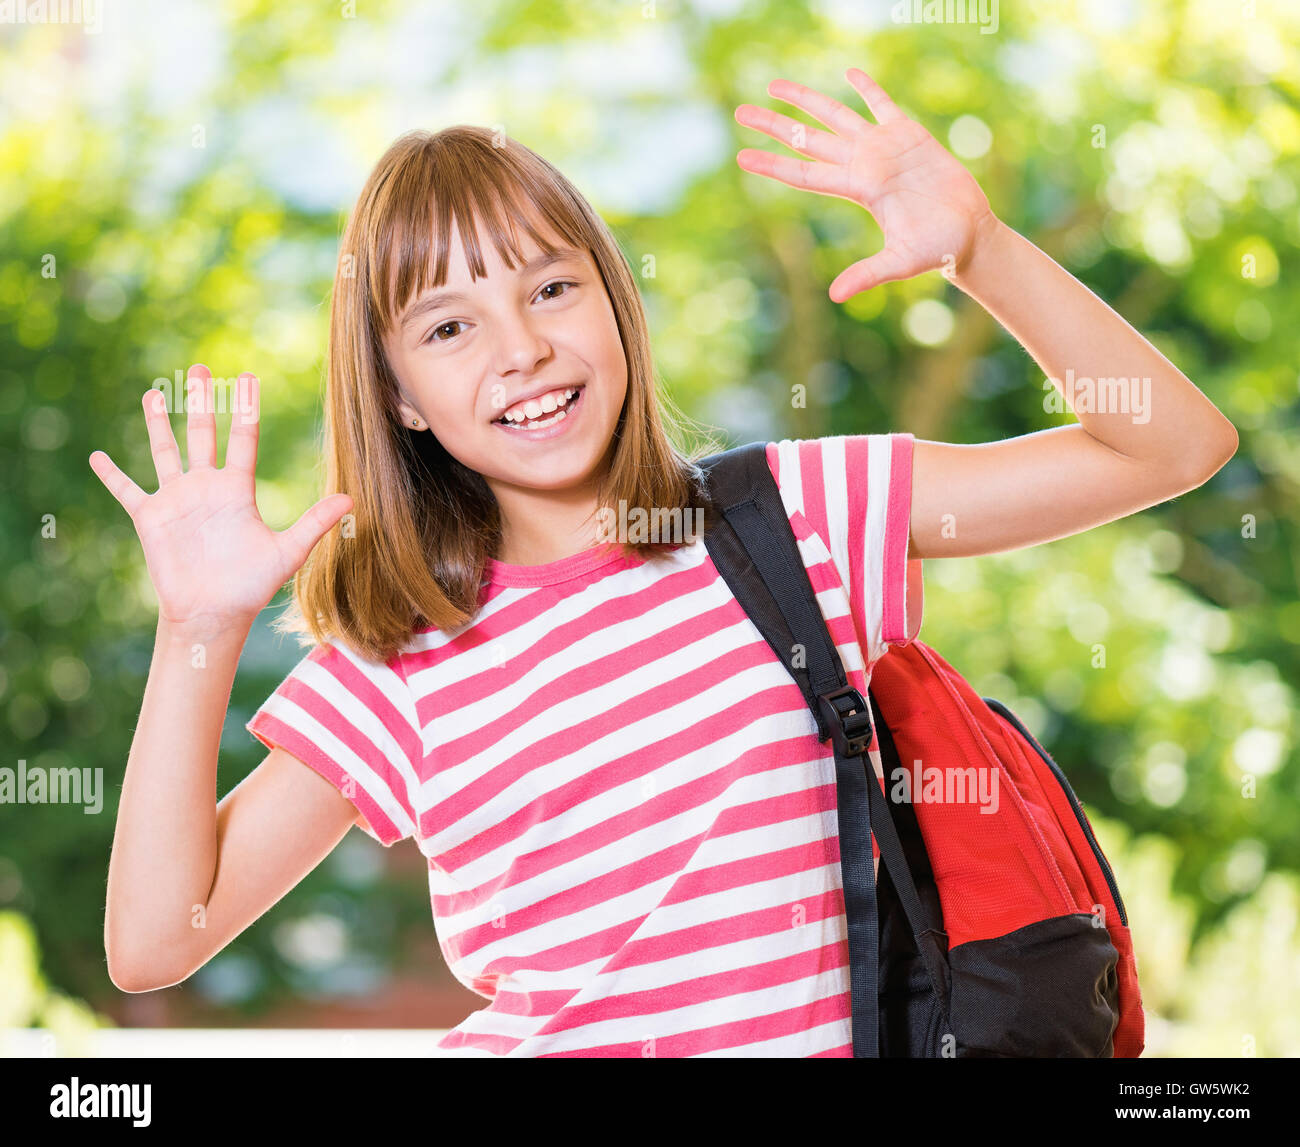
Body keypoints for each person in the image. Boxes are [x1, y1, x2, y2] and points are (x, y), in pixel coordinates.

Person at [91, 69, 1238, 1057]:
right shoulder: (401, 658)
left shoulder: (795, 516)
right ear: (399, 396)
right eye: (449, 327)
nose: (523, 347)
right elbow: (154, 940)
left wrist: (981, 250)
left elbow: (1174, 444)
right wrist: (199, 627)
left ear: (615, 300)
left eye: (550, 288)